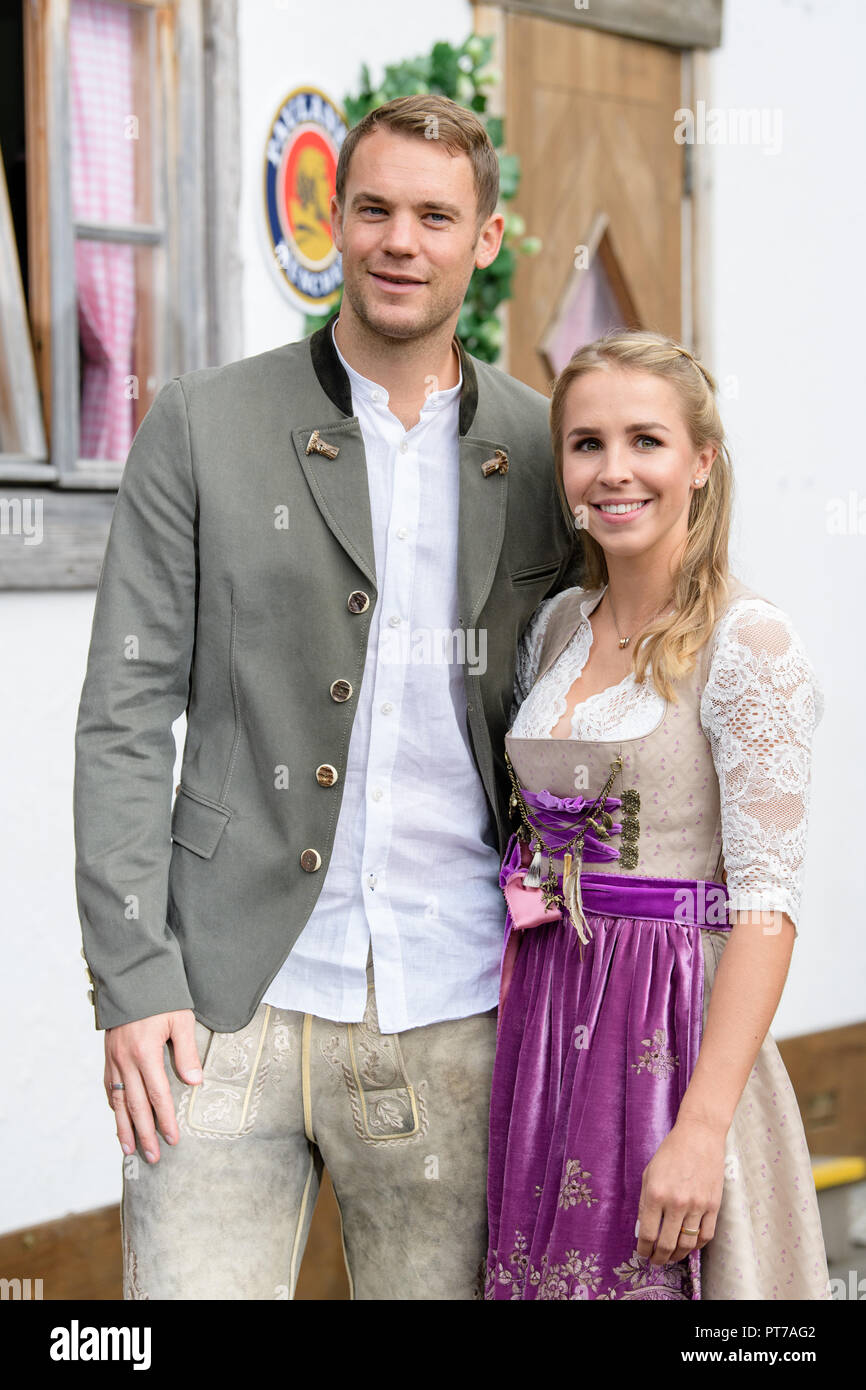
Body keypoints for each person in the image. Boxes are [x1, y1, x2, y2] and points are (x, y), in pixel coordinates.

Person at [72, 94, 579, 1300]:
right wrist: (131, 980)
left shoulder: (543, 446)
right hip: (216, 1011)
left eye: (433, 215)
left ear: (486, 235)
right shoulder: (201, 423)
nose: (400, 240)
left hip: (451, 1009)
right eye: (374, 209)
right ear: (334, 225)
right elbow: (125, 712)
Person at [484, 329, 830, 1300]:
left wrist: (703, 1123)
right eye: (586, 444)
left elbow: (766, 907)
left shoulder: (747, 641)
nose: (613, 471)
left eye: (646, 440)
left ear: (701, 461)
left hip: (666, 1023)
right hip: (547, 1010)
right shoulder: (558, 625)